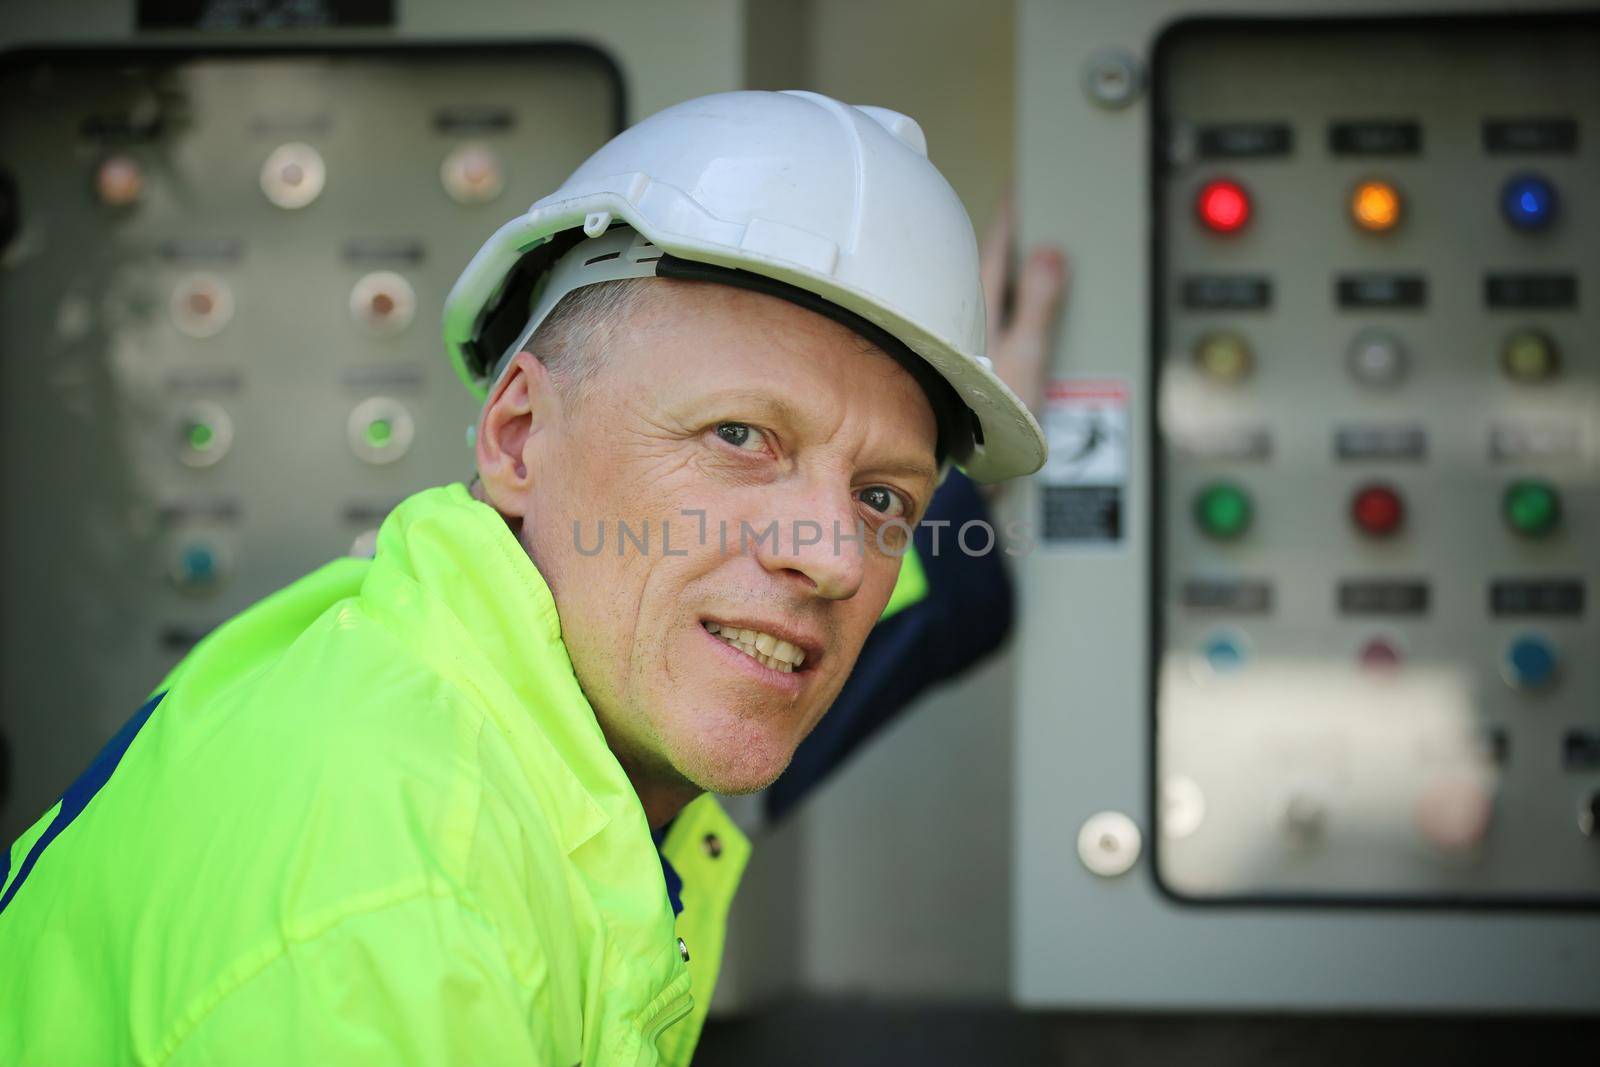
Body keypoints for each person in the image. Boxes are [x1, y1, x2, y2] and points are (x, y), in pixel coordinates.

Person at [0, 90, 1051, 1066]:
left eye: (881, 499)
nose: (830, 556)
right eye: (739, 433)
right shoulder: (397, 903)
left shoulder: (529, 711)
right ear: (515, 435)